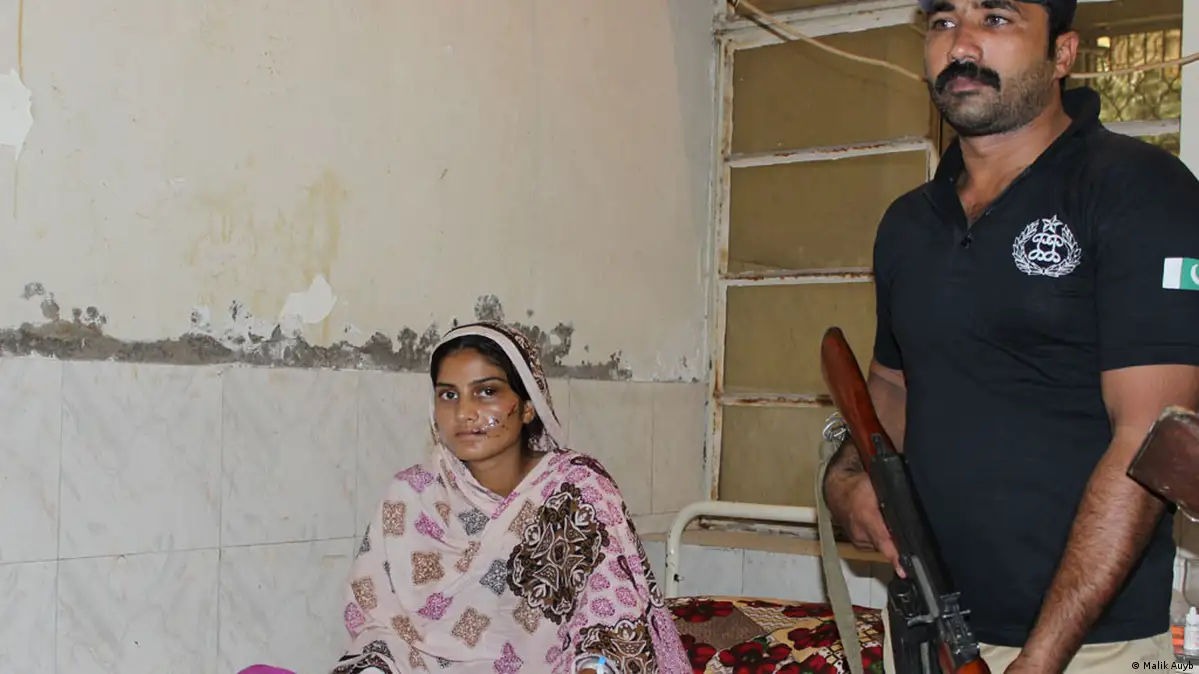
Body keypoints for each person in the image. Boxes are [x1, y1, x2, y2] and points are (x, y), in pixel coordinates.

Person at [821, 0, 1199, 672]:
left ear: (1062, 54)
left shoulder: (1141, 189)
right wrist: (847, 479)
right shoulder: (907, 224)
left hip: (1091, 651)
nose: (960, 45)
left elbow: (1150, 438)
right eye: (943, 22)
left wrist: (1040, 659)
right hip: (924, 635)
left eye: (995, 19)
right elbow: (891, 389)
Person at [329, 321, 690, 674]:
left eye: (486, 391)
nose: (464, 413)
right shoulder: (411, 497)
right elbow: (376, 626)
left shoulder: (575, 491)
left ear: (528, 406)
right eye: (448, 395)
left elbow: (611, 621)